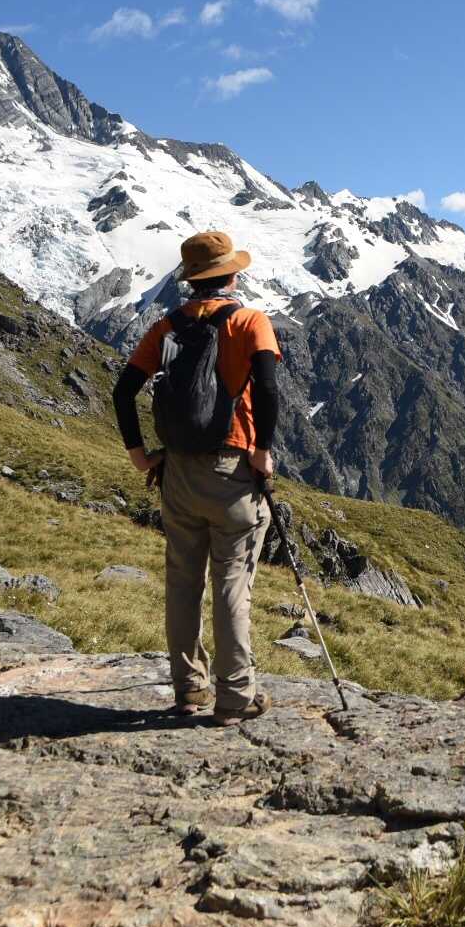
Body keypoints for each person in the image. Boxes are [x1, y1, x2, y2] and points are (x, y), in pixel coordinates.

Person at [112, 230, 282, 726]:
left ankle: (189, 688)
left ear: (191, 280)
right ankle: (235, 697)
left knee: (183, 582)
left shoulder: (166, 327)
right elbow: (268, 388)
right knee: (231, 585)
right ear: (232, 276)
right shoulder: (250, 321)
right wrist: (262, 451)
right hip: (232, 470)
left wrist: (139, 455)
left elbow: (123, 392)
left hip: (178, 473)